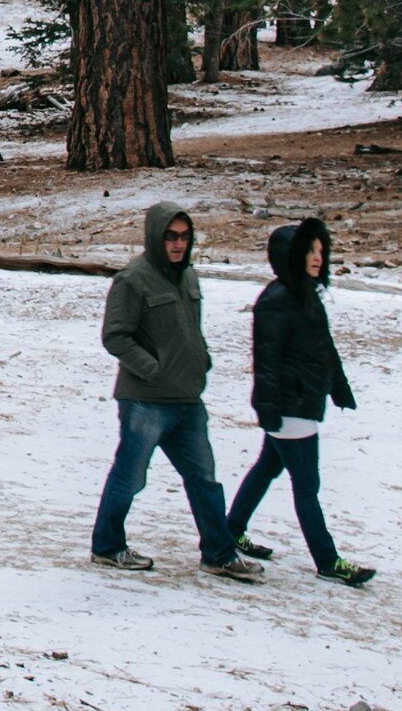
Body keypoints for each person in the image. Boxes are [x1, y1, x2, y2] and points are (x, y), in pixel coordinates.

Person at [91, 201, 260, 580]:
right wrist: (154, 369)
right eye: (171, 236)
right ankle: (107, 546)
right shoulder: (132, 280)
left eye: (184, 236)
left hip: (187, 401)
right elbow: (115, 336)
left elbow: (190, 330)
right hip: (145, 402)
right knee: (130, 476)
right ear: (156, 236)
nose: (178, 244)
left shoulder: (189, 277)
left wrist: (201, 359)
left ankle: (218, 553)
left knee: (205, 480)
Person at [227, 218, 376, 586]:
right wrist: (268, 409)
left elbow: (325, 348)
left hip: (300, 403)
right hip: (290, 408)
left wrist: (339, 388)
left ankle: (230, 530)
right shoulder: (277, 300)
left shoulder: (304, 295)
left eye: (321, 251)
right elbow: (266, 361)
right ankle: (328, 561)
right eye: (310, 250)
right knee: (307, 486)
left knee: (267, 467)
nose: (317, 258)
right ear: (290, 255)